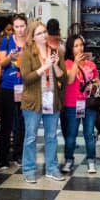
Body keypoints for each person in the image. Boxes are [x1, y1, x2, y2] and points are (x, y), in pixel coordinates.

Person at [19, 21, 65, 183]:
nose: (44, 35)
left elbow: (63, 77)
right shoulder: (26, 54)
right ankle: (29, 169)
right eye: (39, 33)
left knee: (52, 136)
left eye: (44, 32)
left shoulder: (55, 51)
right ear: (32, 37)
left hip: (52, 100)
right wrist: (43, 67)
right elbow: (27, 78)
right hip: (33, 102)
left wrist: (56, 66)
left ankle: (52, 168)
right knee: (31, 137)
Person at [61, 34, 100, 174]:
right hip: (72, 103)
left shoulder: (91, 64)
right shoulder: (67, 63)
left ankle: (91, 160)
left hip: (89, 103)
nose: (79, 48)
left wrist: (93, 86)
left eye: (81, 45)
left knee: (89, 133)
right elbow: (70, 81)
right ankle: (69, 160)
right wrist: (76, 63)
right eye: (76, 46)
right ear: (70, 48)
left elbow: (97, 80)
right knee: (71, 134)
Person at [0, 14, 27, 171]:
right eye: (17, 27)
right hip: (8, 86)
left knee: (22, 122)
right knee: (6, 123)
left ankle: (19, 154)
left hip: (25, 87)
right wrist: (10, 56)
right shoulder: (6, 41)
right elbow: (0, 63)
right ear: (13, 27)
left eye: (22, 26)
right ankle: (2, 158)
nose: (20, 30)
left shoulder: (29, 42)